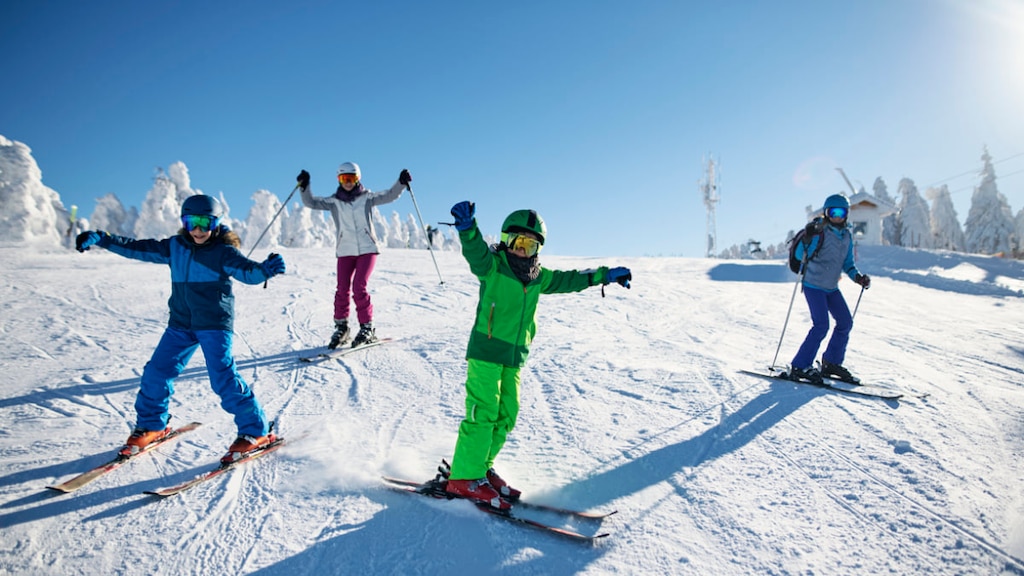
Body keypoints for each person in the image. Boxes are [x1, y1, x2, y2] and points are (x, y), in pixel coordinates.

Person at [443, 201, 632, 510]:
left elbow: (573, 278)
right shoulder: (492, 266)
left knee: (507, 414)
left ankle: (481, 467)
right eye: (518, 242)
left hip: (514, 356)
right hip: (487, 351)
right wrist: (467, 230)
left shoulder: (538, 277)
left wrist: (605, 275)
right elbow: (475, 253)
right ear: (506, 240)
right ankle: (464, 477)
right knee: (484, 411)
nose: (522, 250)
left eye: (530, 246)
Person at [75, 195, 286, 464]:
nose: (197, 230)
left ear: (216, 222)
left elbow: (248, 273)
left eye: (204, 223)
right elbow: (136, 247)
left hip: (213, 324)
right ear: (183, 223)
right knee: (156, 372)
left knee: (222, 378)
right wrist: (102, 238)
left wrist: (265, 270)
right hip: (181, 324)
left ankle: (256, 431)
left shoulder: (223, 252)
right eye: (191, 223)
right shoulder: (175, 246)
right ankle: (152, 425)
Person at [296, 163, 412, 348]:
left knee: (359, 286)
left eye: (351, 178)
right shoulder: (334, 202)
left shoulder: (367, 198)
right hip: (345, 251)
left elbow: (389, 196)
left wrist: (401, 183)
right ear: (339, 180)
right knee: (342, 288)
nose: (347, 183)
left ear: (357, 179)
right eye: (344, 179)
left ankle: (367, 327)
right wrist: (305, 186)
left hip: (367, 249)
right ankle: (342, 328)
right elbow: (311, 202)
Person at [789, 193, 871, 384]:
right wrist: (808, 236)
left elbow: (848, 264)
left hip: (831, 287)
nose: (836, 216)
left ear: (846, 214)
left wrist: (857, 277)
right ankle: (800, 365)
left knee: (845, 323)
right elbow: (801, 254)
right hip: (813, 285)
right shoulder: (819, 231)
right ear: (826, 213)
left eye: (840, 212)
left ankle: (831, 363)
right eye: (832, 212)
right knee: (821, 325)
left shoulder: (847, 237)